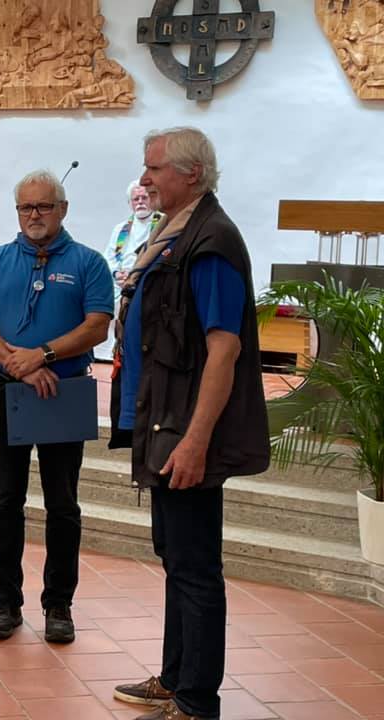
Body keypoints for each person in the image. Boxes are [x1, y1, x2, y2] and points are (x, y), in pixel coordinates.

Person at [109, 128, 269, 720]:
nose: (144, 178)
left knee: (196, 565)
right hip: (164, 423)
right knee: (175, 555)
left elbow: (224, 350)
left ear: (191, 174)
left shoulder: (212, 241)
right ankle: (176, 678)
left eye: (154, 169)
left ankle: (197, 700)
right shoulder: (175, 232)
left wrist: (197, 441)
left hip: (187, 431)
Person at [0, 170, 113, 643]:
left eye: (44, 206)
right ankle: (6, 600)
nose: (34, 214)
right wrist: (22, 366)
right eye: (26, 207)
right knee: (5, 500)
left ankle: (59, 604)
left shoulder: (89, 262)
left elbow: (97, 327)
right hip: (8, 390)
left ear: (62, 209)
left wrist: (44, 354)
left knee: (62, 503)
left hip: (64, 392)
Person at [96, 181, 161, 359]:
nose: (140, 202)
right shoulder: (121, 228)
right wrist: (117, 274)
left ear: (152, 198)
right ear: (130, 203)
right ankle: (109, 355)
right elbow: (109, 257)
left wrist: (134, 274)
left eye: (144, 198)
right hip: (120, 282)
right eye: (135, 199)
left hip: (147, 280)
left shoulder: (162, 224)